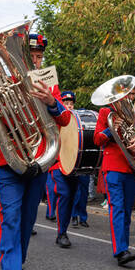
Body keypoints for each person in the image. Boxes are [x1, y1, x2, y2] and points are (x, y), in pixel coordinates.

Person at [0, 69, 71, 270]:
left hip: (39, 158)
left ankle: (18, 266)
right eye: (32, 55)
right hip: (8, 159)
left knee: (27, 219)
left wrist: (51, 102)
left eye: (37, 56)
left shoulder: (47, 84)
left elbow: (65, 119)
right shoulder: (0, 83)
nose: (34, 60)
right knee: (10, 216)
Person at [94, 82, 135, 267]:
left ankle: (123, 246)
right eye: (126, 94)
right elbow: (97, 139)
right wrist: (111, 129)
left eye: (131, 95)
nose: (129, 98)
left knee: (127, 209)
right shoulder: (106, 113)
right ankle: (120, 250)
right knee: (117, 207)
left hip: (131, 165)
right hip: (113, 165)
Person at [46, 90, 82, 248]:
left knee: (72, 196)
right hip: (57, 162)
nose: (68, 105)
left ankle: (63, 230)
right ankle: (62, 233)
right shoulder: (52, 114)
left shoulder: (76, 118)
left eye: (70, 103)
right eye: (65, 102)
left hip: (73, 162)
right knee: (65, 194)